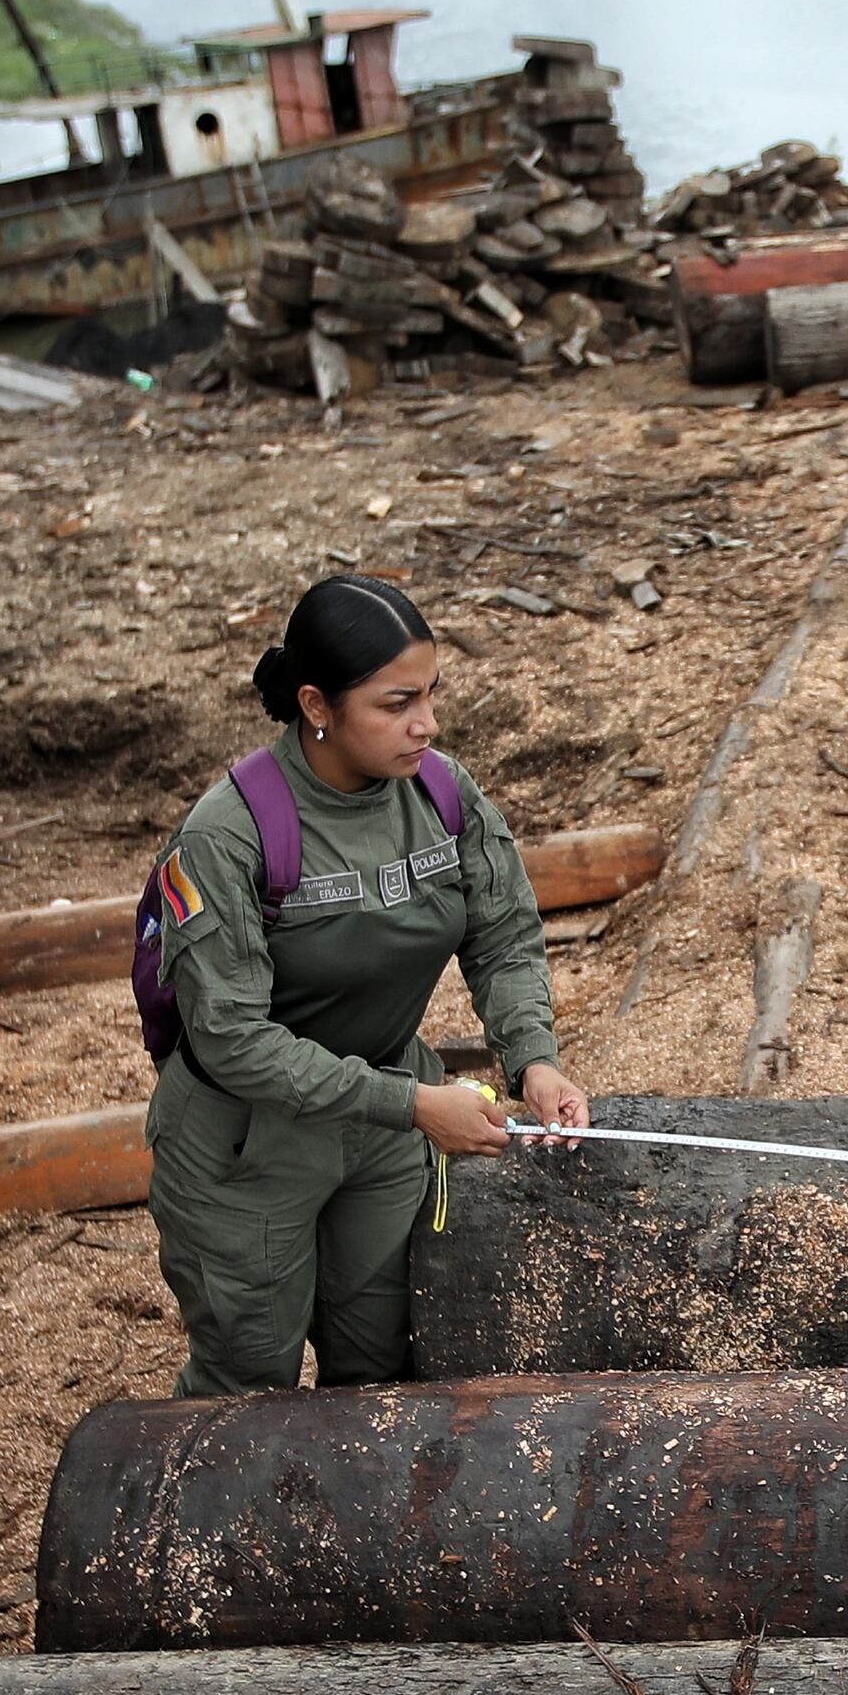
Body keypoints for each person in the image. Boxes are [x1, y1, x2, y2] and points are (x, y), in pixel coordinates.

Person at [132, 574, 588, 1395]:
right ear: (317, 705)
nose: (428, 723)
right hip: (248, 1142)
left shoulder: (444, 794)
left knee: (380, 1366)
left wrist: (533, 1060)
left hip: (380, 1131)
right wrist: (415, 1106)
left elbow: (505, 934)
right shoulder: (228, 837)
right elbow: (233, 1040)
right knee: (250, 1378)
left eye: (432, 694)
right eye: (396, 702)